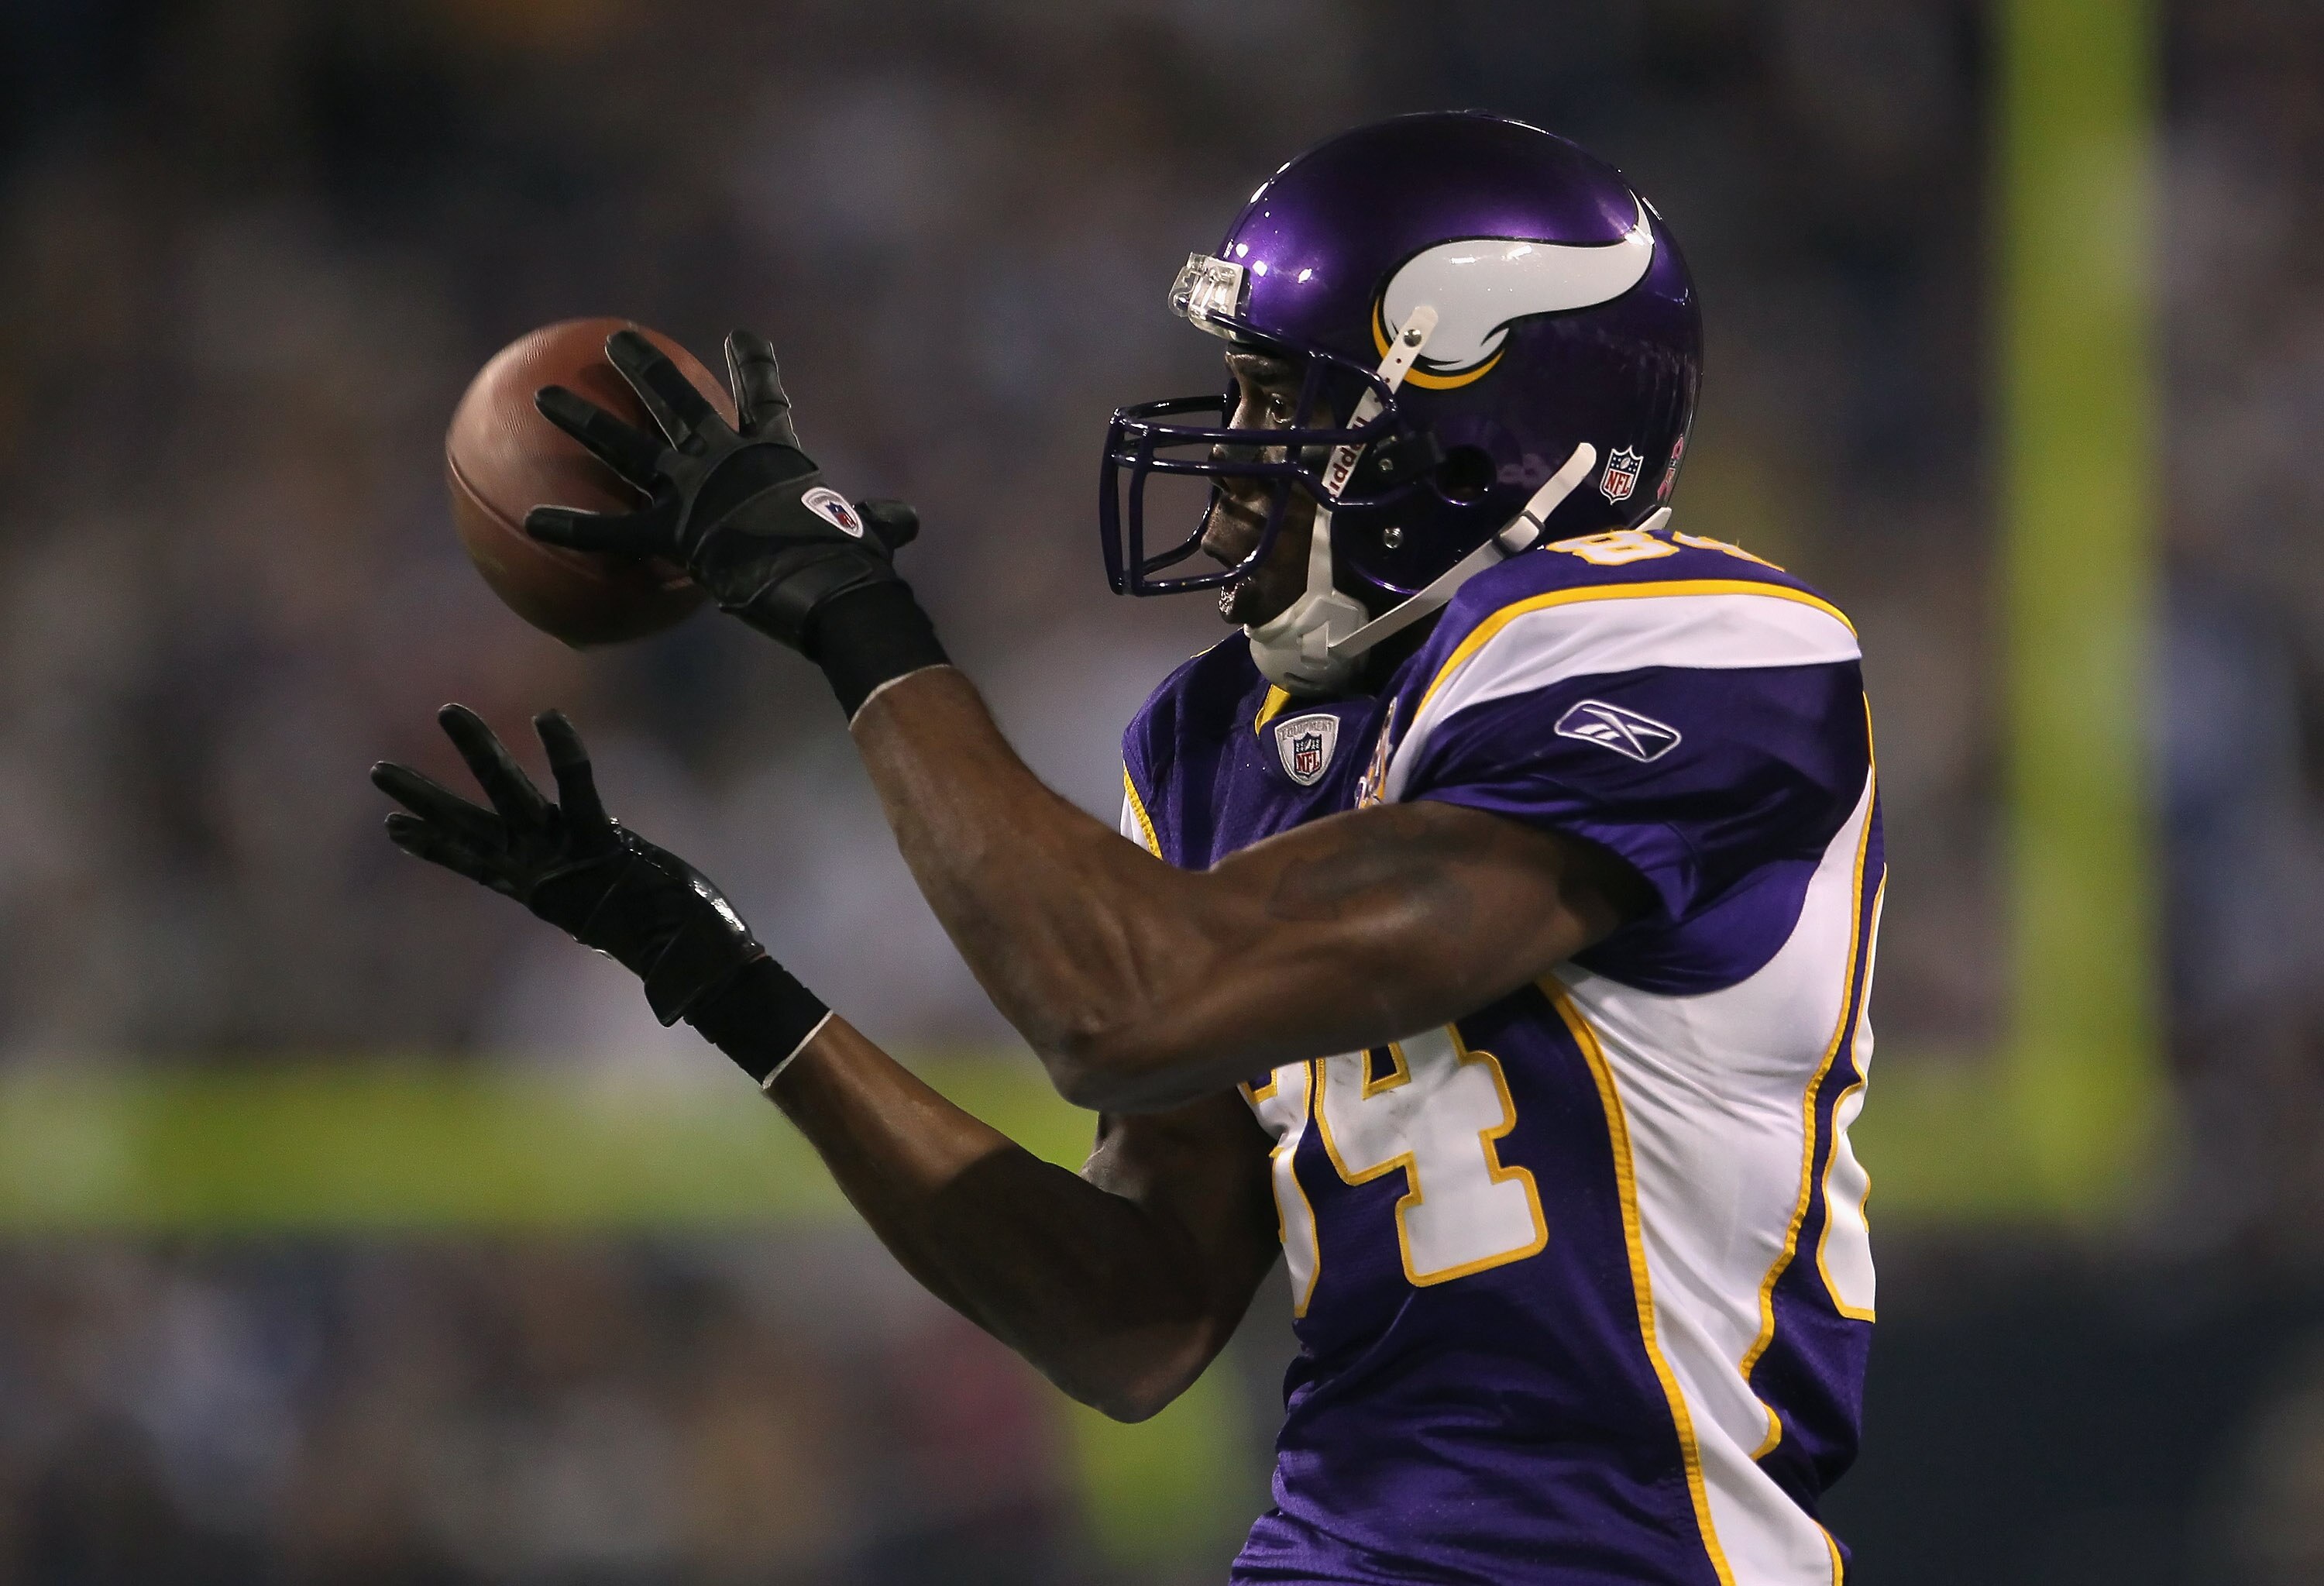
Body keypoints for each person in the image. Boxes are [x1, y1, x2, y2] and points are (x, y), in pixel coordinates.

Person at [374, 112, 1881, 1584]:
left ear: (1483, 434)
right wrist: (721, 975)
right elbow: (1135, 1313)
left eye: (1281, 396)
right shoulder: (1226, 739)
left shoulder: (1706, 643)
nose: (1232, 450)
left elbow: (1124, 1005)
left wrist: (857, 616)